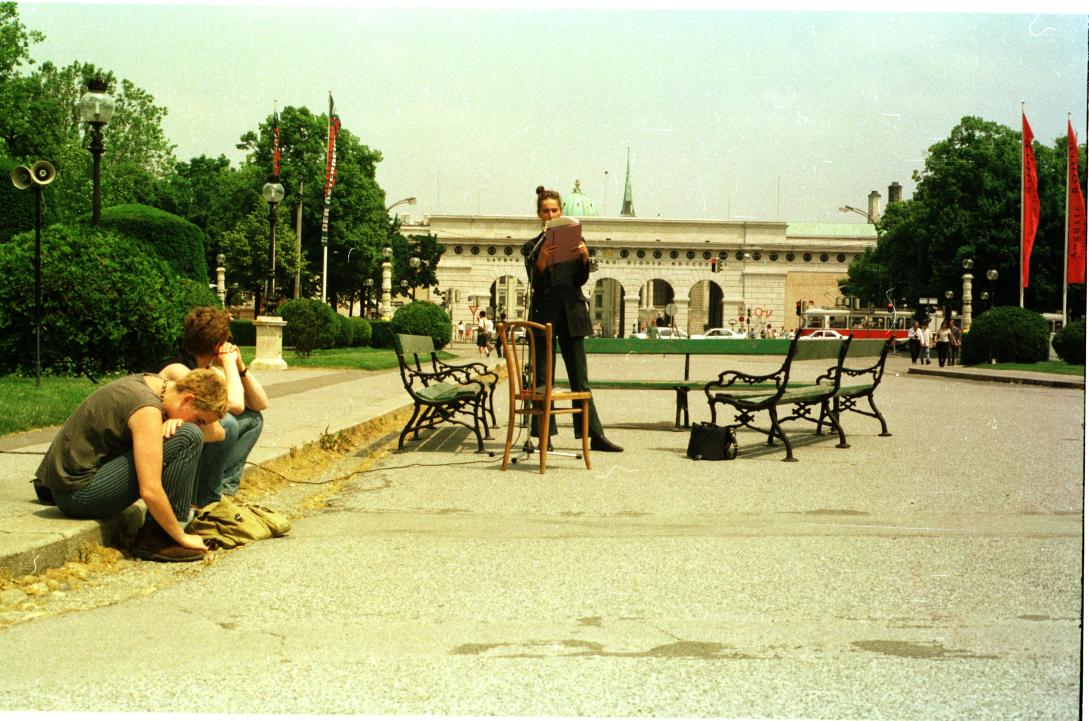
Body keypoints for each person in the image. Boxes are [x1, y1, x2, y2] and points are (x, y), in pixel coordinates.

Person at [34, 369, 228, 562]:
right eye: (200, 419)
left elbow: (220, 433)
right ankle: (159, 538)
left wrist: (175, 421)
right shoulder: (146, 409)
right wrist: (181, 536)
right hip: (77, 495)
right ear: (187, 399)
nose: (200, 425)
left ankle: (166, 529)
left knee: (188, 431)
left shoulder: (157, 385)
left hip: (68, 484)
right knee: (188, 436)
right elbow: (150, 489)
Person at [521, 185, 623, 453]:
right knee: (543, 379)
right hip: (543, 317)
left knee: (580, 378)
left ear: (562, 211)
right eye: (546, 211)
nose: (551, 214)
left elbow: (579, 280)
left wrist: (585, 259)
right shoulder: (531, 247)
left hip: (572, 315)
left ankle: (594, 434)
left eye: (555, 210)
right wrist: (542, 261)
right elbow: (536, 283)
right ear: (539, 214)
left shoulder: (576, 240)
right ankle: (543, 435)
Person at [156, 307, 269, 506]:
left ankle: (225, 490)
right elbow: (234, 405)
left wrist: (241, 368)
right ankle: (206, 499)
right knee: (227, 424)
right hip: (167, 444)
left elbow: (260, 403)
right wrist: (229, 363)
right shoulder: (178, 370)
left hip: (188, 438)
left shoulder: (205, 369)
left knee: (253, 419)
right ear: (218, 346)